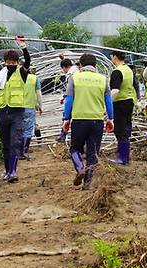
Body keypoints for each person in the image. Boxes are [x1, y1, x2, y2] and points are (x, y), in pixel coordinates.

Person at [0, 34, 30, 183]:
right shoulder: (0, 72)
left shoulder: (21, 72)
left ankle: (13, 172)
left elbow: (28, 60)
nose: (11, 64)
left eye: (13, 62)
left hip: (17, 112)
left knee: (15, 142)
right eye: (8, 61)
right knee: (5, 144)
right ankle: (7, 171)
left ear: (17, 62)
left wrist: (23, 46)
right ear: (5, 62)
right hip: (3, 112)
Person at [62, 53, 114, 190]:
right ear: (95, 66)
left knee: (75, 148)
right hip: (96, 121)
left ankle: (79, 168)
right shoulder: (103, 79)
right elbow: (108, 101)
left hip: (79, 119)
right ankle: (87, 185)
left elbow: (69, 100)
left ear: (80, 65)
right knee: (93, 153)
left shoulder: (75, 78)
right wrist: (110, 119)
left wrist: (66, 119)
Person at [108, 51, 139, 165]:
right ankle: (124, 156)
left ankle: (122, 158)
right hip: (129, 101)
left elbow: (115, 90)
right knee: (125, 130)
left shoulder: (117, 71)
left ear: (115, 57)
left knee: (120, 131)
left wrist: (108, 104)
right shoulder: (128, 70)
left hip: (120, 103)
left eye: (112, 57)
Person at [20, 67, 43, 160]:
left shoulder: (15, 78)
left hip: (17, 107)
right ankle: (24, 152)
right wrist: (40, 106)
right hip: (29, 107)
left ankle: (17, 152)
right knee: (28, 130)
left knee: (18, 129)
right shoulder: (34, 78)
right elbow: (38, 93)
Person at [56, 58, 78, 143]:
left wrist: (65, 97)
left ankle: (63, 135)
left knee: (67, 116)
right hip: (81, 98)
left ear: (65, 67)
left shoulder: (70, 74)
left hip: (73, 99)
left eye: (63, 69)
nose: (63, 71)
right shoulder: (77, 70)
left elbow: (70, 90)